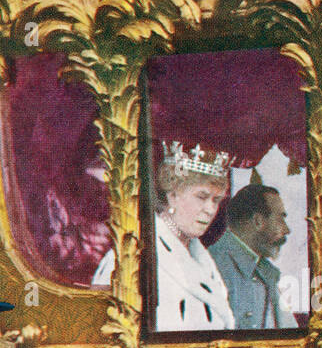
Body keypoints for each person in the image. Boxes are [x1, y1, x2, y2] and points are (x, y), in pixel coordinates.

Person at [92, 141, 234, 332]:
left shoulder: (203, 260)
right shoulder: (131, 256)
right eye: (201, 197)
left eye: (216, 200)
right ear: (172, 194)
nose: (210, 210)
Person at [208, 183, 295, 330]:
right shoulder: (212, 266)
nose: (286, 230)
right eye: (280, 219)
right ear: (258, 221)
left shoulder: (266, 272)